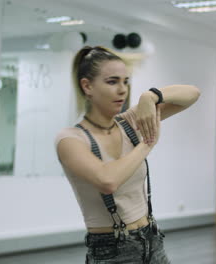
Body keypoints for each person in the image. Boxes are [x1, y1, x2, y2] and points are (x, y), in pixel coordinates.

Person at [54, 46, 200, 263]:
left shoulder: (129, 123)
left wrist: (150, 96)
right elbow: (108, 180)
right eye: (112, 82)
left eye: (126, 81)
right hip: (111, 251)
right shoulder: (70, 139)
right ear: (87, 86)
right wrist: (147, 144)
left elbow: (192, 94)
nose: (123, 90)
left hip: (152, 240)